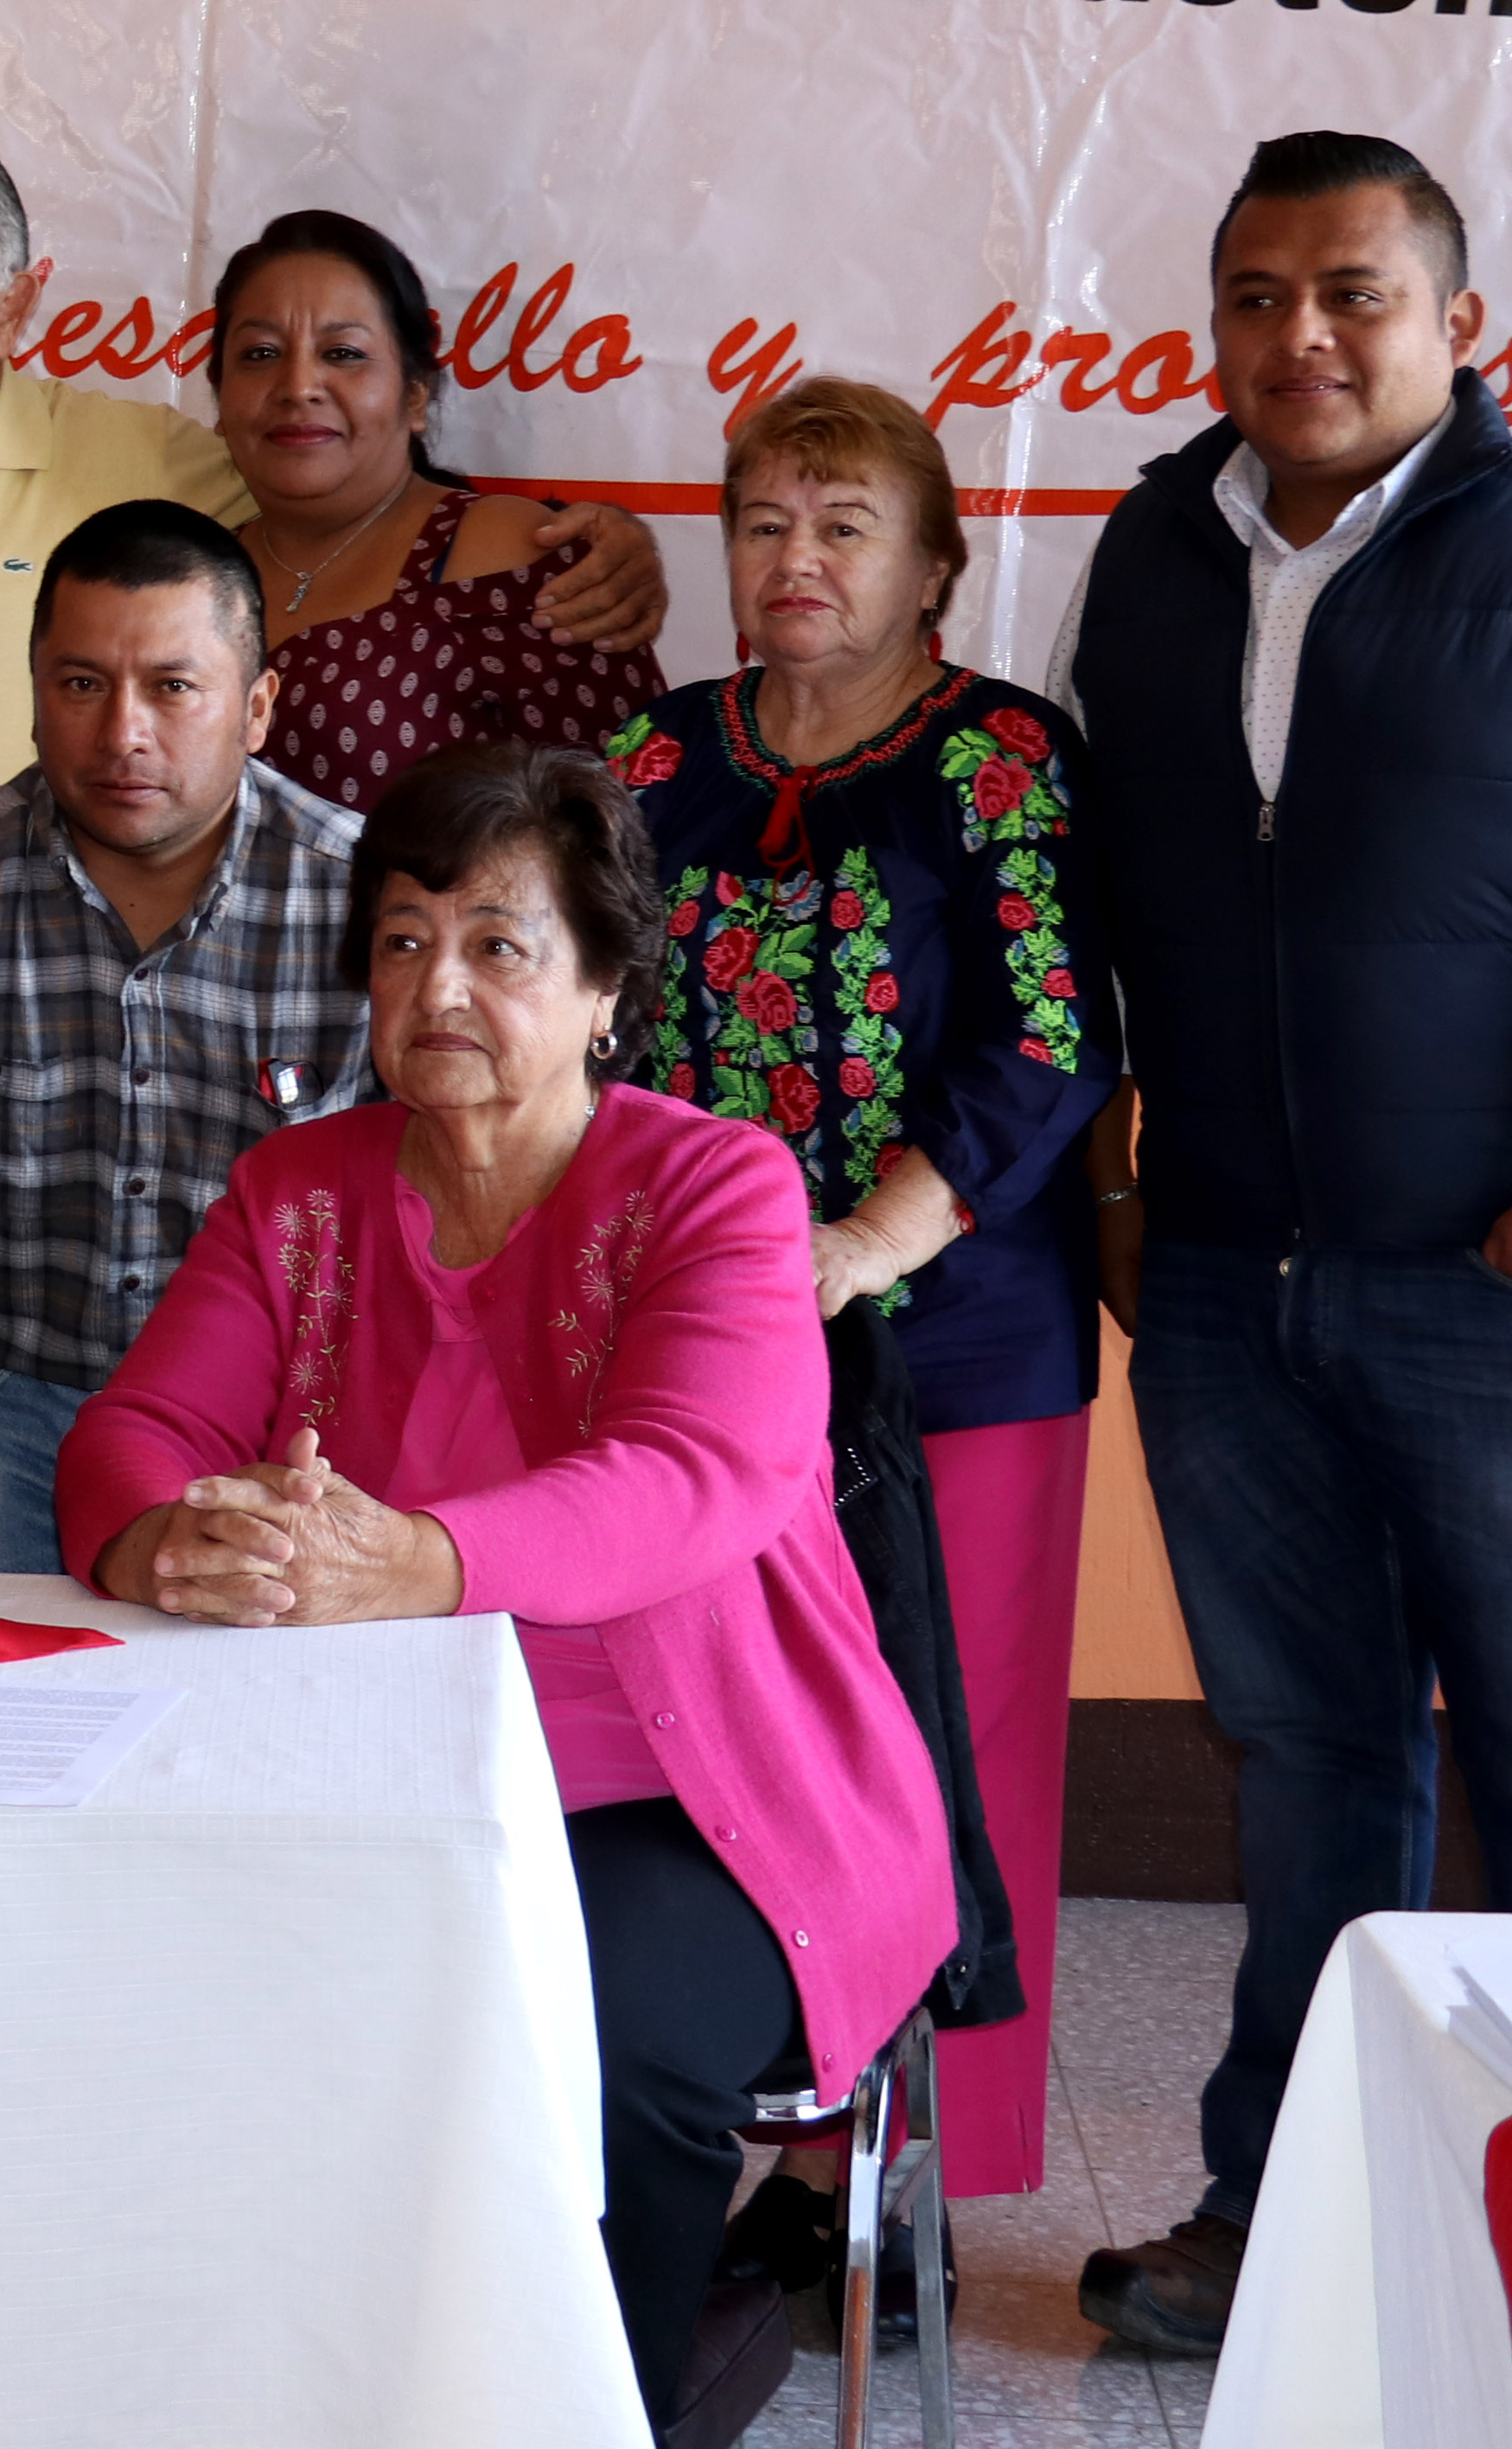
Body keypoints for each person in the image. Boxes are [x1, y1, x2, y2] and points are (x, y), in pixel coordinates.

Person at [1045, 131, 1512, 2360]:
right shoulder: (1156, 550)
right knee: (1309, 1765)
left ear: (1456, 323)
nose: (1302, 337)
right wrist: (1117, 1190)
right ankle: (1282, 2212)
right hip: (1222, 1280)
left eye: (1354, 293)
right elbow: (1085, 900)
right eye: (1258, 294)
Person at [61, 739, 953, 2449]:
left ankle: (590, 2407)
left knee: (581, 2029)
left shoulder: (716, 1185)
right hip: (369, 1765)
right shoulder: (298, 1188)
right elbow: (137, 1431)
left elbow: (693, 1477)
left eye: (497, 941)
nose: (439, 983)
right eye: (402, 941)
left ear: (607, 983)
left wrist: (419, 1559)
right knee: (150, 1968)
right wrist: (153, 1541)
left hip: (700, 1792)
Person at [607, 374, 1113, 2231]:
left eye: (844, 527)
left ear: (933, 569)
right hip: (712, 1352)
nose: (797, 560)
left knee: (947, 1738)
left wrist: (873, 1241)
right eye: (763, 522)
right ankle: (790, 2126)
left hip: (961, 1336)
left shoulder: (997, 755)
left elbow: (1052, 1035)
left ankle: (910, 2185)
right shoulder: (657, 759)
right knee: (758, 1729)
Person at [0, 133, 662, 994]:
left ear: (16, 304)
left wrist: (603, 534)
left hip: (107, 1038)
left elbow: (349, 483)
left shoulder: (158, 470)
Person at [0, 500, 374, 1571]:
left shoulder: (367, 909)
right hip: (3, 1395)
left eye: (174, 688)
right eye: (82, 684)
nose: (122, 732)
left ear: (259, 706)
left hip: (288, 1422)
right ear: (37, 693)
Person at [218, 208, 665, 811]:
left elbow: (630, 820)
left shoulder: (507, 552)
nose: (299, 385)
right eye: (261, 354)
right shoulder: (199, 564)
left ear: (416, 395)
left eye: (344, 353)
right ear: (219, 397)